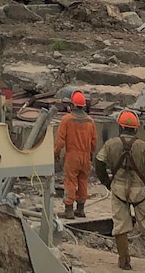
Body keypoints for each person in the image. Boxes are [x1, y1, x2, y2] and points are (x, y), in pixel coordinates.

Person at [95, 109, 145, 270]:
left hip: (118, 189)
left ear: (120, 127)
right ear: (136, 128)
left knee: (120, 225)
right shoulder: (144, 147)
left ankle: (124, 262)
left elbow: (99, 162)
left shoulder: (110, 144)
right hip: (140, 191)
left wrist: (107, 182)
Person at [54, 90, 97, 219]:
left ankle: (68, 210)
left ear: (72, 105)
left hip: (72, 156)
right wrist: (91, 154)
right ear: (84, 106)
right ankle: (80, 209)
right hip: (86, 157)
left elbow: (60, 140)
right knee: (83, 181)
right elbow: (94, 141)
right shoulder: (90, 121)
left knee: (70, 181)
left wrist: (56, 153)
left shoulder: (67, 119)